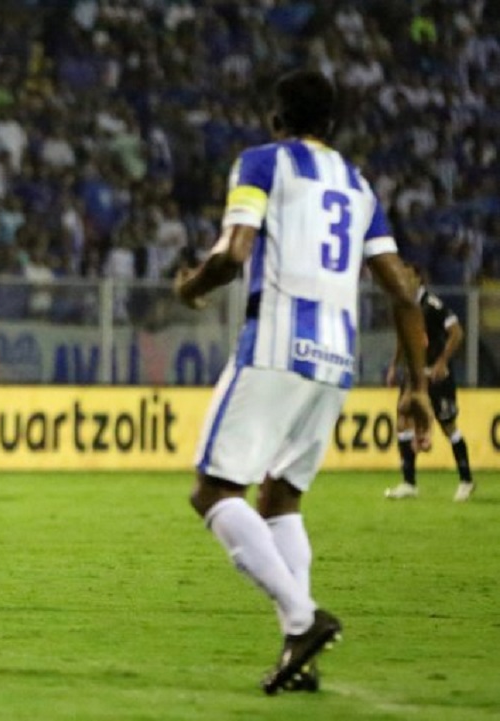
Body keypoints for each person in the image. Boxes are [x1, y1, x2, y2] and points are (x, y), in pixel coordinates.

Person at [173, 70, 435, 695]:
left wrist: (190, 287)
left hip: (275, 345)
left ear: (275, 118)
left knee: (213, 492)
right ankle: (302, 653)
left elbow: (235, 253)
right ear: (333, 125)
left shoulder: (262, 162)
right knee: (280, 499)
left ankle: (302, 616)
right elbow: (401, 287)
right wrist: (417, 385)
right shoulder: (358, 184)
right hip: (335, 360)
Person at [384, 263, 475, 501]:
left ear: (418, 278)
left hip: (436, 376)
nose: (402, 277)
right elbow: (404, 338)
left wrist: (442, 361)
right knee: (403, 420)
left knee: (448, 426)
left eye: (407, 274)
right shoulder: (406, 305)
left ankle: (466, 480)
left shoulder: (432, 305)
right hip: (414, 375)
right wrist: (395, 365)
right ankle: (409, 482)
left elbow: (457, 332)